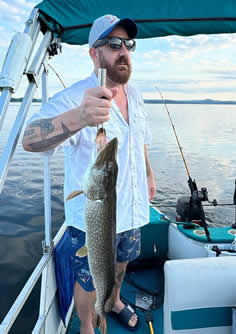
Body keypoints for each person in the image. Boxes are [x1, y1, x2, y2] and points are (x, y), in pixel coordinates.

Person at [22, 14, 156, 334]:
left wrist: (149, 175)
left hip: (130, 209)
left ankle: (114, 301)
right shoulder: (73, 98)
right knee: (89, 277)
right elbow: (29, 139)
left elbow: (141, 142)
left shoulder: (134, 94)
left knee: (120, 265)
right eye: (113, 44)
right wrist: (80, 116)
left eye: (128, 44)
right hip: (90, 218)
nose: (123, 51)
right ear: (94, 53)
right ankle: (86, 324)